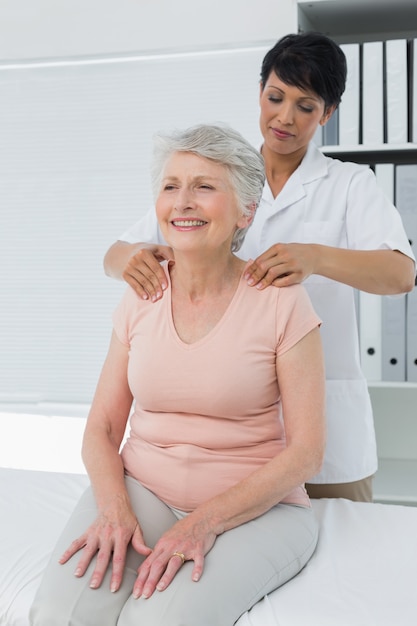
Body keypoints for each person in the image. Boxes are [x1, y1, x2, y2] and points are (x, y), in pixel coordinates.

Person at [30, 124, 326, 626]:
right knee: (61, 613)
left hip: (257, 510)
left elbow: (306, 454)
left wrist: (204, 524)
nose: (182, 202)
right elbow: (102, 427)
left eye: (205, 186)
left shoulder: (281, 299)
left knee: (161, 621)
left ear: (246, 210)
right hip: (143, 490)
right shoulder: (141, 293)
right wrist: (114, 509)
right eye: (171, 186)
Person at [103, 32, 416, 503]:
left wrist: (314, 256)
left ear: (327, 114)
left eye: (305, 106)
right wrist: (139, 260)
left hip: (325, 432)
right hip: (230, 441)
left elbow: (400, 274)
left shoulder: (351, 184)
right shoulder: (217, 175)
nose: (285, 117)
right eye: (275, 97)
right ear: (260, 93)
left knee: (337, 560)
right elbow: (115, 253)